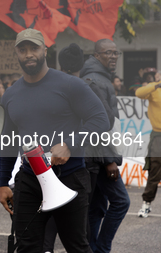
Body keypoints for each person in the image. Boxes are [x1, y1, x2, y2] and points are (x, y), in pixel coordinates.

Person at [0, 29, 109, 253]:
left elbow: (101, 120)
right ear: (17, 54)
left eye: (34, 48)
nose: (29, 54)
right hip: (29, 180)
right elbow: (8, 141)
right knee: (27, 246)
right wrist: (2, 182)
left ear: (45, 50)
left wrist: (69, 144)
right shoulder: (10, 94)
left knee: (77, 246)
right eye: (23, 50)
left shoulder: (70, 85)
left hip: (69, 177)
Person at [80, 39, 129, 253]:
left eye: (116, 53)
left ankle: (92, 249)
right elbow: (99, 124)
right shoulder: (96, 81)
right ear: (96, 55)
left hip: (95, 155)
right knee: (121, 202)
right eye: (108, 53)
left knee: (96, 208)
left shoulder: (98, 79)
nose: (113, 56)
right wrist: (109, 160)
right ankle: (101, 249)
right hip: (98, 156)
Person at [135, 70, 161, 218]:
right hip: (158, 135)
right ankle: (146, 204)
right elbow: (139, 93)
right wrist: (156, 85)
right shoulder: (154, 88)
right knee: (155, 170)